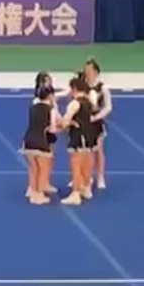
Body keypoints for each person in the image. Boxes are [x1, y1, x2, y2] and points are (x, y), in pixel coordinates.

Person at [20, 72, 58, 205]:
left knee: (34, 167)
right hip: (42, 141)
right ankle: (39, 195)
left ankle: (32, 190)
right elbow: (53, 129)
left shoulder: (33, 106)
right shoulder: (51, 109)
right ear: (50, 96)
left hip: (28, 140)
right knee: (43, 169)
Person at [59, 76, 96, 205]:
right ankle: (86, 188)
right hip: (89, 136)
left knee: (76, 165)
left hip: (78, 136)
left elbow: (65, 122)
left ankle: (75, 193)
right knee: (86, 163)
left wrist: (66, 124)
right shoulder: (88, 102)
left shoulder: (74, 104)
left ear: (74, 89)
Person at [83, 59, 113, 190]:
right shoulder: (82, 85)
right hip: (83, 122)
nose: (87, 72)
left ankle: (100, 176)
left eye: (89, 70)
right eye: (86, 70)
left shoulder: (103, 88)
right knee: (84, 151)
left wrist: (96, 117)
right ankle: (86, 176)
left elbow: (108, 107)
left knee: (98, 151)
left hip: (96, 122)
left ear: (95, 72)